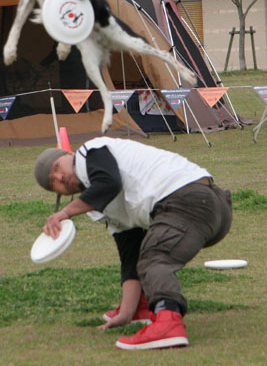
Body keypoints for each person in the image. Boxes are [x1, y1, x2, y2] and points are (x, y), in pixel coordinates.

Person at [33, 137, 233, 350]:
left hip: (190, 200)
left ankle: (168, 323)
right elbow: (130, 255)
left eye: (56, 168)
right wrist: (127, 312)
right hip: (207, 211)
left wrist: (65, 212)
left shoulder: (89, 152)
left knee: (155, 258)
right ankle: (142, 307)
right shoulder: (101, 202)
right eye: (53, 183)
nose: (60, 177)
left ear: (69, 155)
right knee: (144, 255)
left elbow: (108, 183)